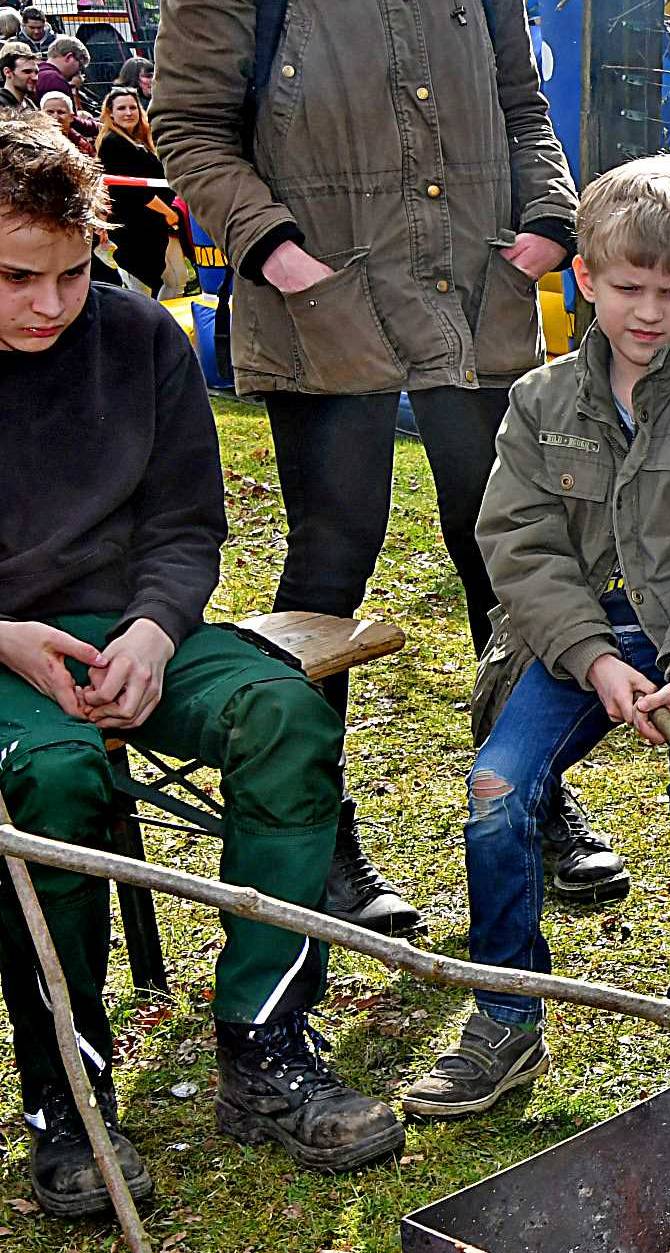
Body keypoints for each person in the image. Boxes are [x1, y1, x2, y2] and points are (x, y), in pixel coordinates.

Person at [0, 118, 403, 1217]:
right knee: (55, 783)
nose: (50, 303)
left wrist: (154, 630)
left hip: (133, 628)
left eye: (73, 273)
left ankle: (264, 1043)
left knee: (286, 714)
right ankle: (69, 1096)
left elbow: (185, 524)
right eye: (17, 278)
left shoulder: (138, 338)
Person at [156, 0, 610, 935]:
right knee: (331, 558)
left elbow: (522, 102)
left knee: (505, 553)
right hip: (326, 302)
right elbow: (191, 129)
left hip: (476, 286)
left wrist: (549, 218)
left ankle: (526, 785)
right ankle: (314, 828)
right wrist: (274, 252)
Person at [400, 156, 670, 1113]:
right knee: (497, 790)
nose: (648, 311)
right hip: (578, 639)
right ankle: (506, 1015)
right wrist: (593, 657)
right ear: (584, 276)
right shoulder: (538, 401)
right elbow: (518, 544)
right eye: (627, 288)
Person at [92, 87, 170, 294]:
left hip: (154, 226)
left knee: (173, 280)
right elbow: (134, 193)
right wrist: (170, 213)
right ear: (111, 113)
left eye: (132, 107)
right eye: (121, 108)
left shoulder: (140, 140)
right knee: (140, 290)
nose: (128, 112)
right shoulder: (112, 142)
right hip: (133, 231)